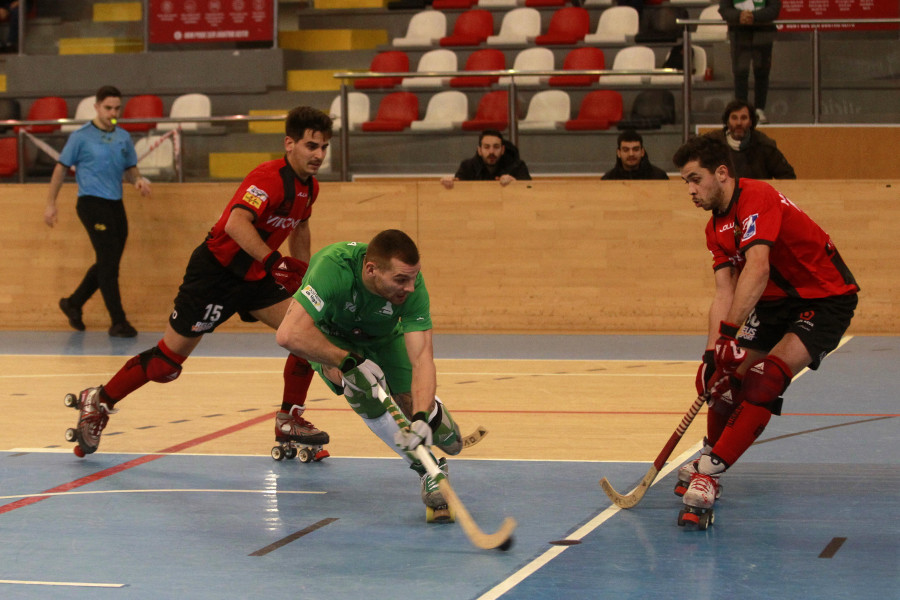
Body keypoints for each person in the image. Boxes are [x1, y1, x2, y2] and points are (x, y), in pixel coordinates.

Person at [65, 106, 333, 461]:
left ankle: (289, 419)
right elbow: (237, 224)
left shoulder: (309, 187)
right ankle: (98, 400)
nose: (318, 155)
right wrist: (273, 261)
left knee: (306, 337)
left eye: (324, 147)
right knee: (166, 365)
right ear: (289, 143)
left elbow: (300, 226)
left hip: (255, 277)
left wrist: (300, 271)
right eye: (311, 146)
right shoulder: (268, 178)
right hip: (216, 275)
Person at [671, 135, 858, 524]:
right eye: (685, 182)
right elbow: (725, 290)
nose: (690, 190)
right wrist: (713, 351)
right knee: (718, 378)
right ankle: (713, 449)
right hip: (774, 304)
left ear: (721, 174)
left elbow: (758, 268)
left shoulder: (758, 197)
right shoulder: (715, 229)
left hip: (823, 298)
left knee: (764, 379)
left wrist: (730, 334)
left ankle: (709, 472)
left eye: (694, 179)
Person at [275, 229, 464, 519]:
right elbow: (289, 334)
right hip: (333, 340)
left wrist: (422, 418)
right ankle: (427, 469)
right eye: (401, 280)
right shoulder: (332, 268)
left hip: (385, 339)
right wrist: (348, 361)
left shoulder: (411, 285)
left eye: (414, 278)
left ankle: (437, 421)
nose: (410, 287)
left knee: (449, 440)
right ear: (371, 269)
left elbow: (422, 359)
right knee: (359, 387)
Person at [44, 85, 152, 338]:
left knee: (108, 262)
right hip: (91, 203)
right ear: (96, 107)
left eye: (116, 108)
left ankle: (73, 303)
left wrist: (138, 179)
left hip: (115, 203)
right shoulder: (81, 137)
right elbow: (60, 169)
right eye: (107, 108)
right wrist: (51, 203)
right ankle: (118, 321)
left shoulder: (123, 137)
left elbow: (130, 168)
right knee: (108, 263)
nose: (112, 113)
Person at [719, 0, 781, 124]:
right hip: (738, 34)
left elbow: (774, 8)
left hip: (763, 34)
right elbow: (724, 9)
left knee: (761, 72)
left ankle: (759, 110)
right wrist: (739, 16)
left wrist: (754, 17)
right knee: (740, 73)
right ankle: (741, 111)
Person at [704, 99, 795, 180]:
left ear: (751, 122)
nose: (739, 123)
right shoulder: (713, 144)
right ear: (727, 122)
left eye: (744, 118)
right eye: (734, 118)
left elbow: (787, 177)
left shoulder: (764, 145)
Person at [440, 129, 531, 189]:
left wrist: (515, 183)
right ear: (479, 150)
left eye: (496, 147)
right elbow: (459, 189)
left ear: (503, 150)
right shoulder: (467, 167)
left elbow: (530, 191)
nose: (491, 152)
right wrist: (449, 182)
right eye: (486, 147)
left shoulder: (517, 166)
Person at [601, 130, 669, 180]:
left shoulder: (659, 177)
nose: (631, 154)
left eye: (635, 149)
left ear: (642, 152)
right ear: (619, 153)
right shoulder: (608, 179)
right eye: (626, 150)